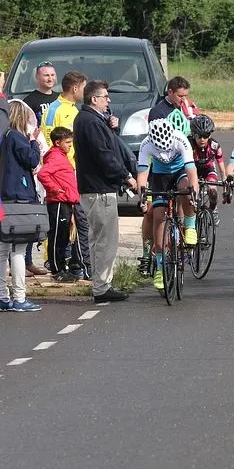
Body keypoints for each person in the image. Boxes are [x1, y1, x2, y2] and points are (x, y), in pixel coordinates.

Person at [74, 81, 137, 303]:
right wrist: (126, 176)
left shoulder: (91, 120)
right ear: (94, 99)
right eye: (105, 97)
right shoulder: (90, 122)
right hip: (99, 190)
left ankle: (99, 283)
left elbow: (106, 147)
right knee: (105, 240)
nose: (108, 100)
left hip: (92, 189)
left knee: (97, 239)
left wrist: (112, 129)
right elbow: (104, 156)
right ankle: (102, 286)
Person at [136, 118, 199, 290]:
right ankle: (160, 266)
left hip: (180, 172)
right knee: (158, 216)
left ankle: (190, 226)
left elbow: (191, 171)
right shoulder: (146, 144)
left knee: (186, 189)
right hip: (159, 177)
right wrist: (142, 195)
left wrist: (194, 193)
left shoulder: (181, 140)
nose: (163, 153)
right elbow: (142, 174)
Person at [0, 100, 42, 311]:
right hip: (20, 199)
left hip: (5, 196)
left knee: (2, 248)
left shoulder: (4, 137)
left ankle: (2, 295)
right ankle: (19, 297)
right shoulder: (18, 138)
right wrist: (34, 141)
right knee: (18, 249)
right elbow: (32, 159)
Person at [38, 127, 88, 282]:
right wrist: (56, 189)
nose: (70, 145)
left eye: (70, 142)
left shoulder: (62, 156)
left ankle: (61, 267)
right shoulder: (55, 157)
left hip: (66, 201)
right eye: (67, 142)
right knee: (57, 236)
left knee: (64, 236)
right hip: (58, 202)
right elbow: (42, 174)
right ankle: (56, 269)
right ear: (57, 142)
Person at [40, 70, 85, 164]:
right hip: (61, 168)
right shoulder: (53, 110)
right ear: (75, 89)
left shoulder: (74, 109)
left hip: (74, 166)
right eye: (83, 88)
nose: (85, 92)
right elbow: (48, 140)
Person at [189, 114, 225, 225]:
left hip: (208, 169)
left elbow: (222, 169)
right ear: (193, 135)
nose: (202, 139)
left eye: (206, 135)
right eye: (199, 136)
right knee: (193, 193)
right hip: (192, 170)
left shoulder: (214, 145)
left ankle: (213, 210)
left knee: (212, 190)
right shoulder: (188, 145)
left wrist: (225, 186)